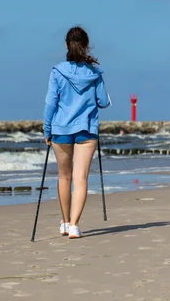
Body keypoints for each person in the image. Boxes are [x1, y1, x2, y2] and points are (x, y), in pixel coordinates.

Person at [43, 26, 111, 239]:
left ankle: (64, 222)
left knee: (64, 177)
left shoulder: (57, 71)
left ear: (66, 45)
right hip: (86, 129)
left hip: (60, 129)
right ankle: (74, 225)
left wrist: (47, 130)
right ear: (86, 45)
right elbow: (103, 102)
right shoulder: (95, 72)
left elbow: (50, 104)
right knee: (80, 178)